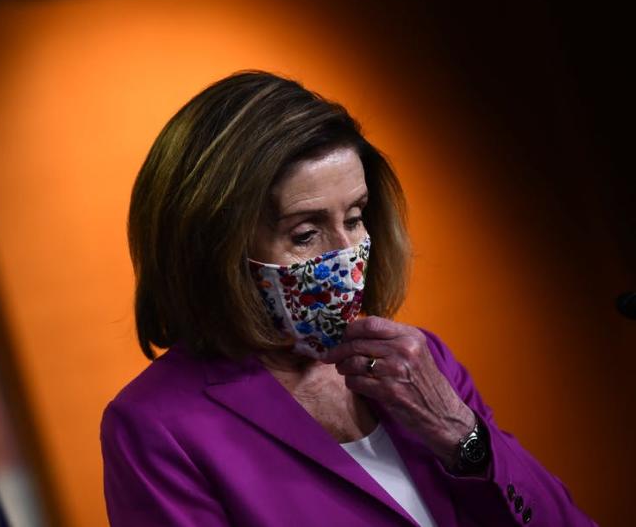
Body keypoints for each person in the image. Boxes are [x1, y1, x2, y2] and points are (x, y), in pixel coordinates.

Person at [100, 71, 595, 526]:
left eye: (355, 218)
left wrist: (463, 436)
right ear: (212, 247)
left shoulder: (419, 361)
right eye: (305, 232)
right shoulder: (156, 426)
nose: (345, 253)